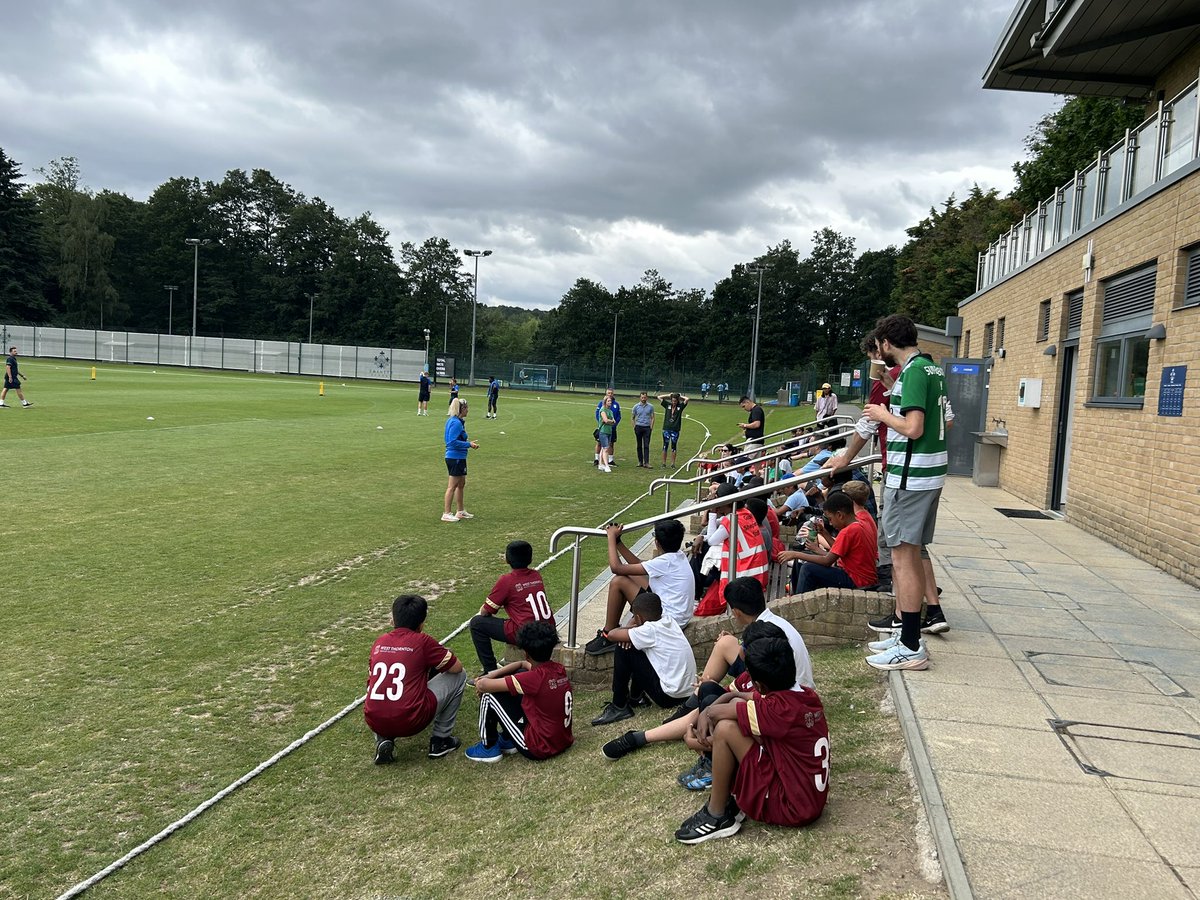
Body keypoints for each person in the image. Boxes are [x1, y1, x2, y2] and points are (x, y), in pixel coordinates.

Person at [856, 314, 948, 669]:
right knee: (909, 555)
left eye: (879, 345)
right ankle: (905, 635)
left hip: (910, 478)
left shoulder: (912, 372)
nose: (878, 351)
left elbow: (912, 427)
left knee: (902, 558)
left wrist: (881, 413)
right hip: (927, 476)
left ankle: (911, 644)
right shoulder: (929, 369)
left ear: (886, 343)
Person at [673, 636, 829, 843]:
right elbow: (741, 700)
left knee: (726, 729)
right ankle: (726, 805)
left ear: (759, 685)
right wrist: (713, 708)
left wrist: (695, 740)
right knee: (733, 714)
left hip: (792, 808)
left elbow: (723, 719)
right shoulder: (804, 695)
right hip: (807, 798)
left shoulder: (775, 710)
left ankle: (716, 815)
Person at [600, 619, 786, 762]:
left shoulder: (776, 698)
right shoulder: (748, 677)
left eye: (741, 645)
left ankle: (708, 764)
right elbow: (711, 705)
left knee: (718, 704)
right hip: (706, 705)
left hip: (747, 747)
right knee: (709, 691)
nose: (738, 649)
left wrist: (697, 741)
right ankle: (641, 736)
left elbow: (612, 634)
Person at [364, 594, 466, 764]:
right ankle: (440, 740)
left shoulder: (379, 641)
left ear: (393, 619)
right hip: (411, 720)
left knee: (377, 689)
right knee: (460, 676)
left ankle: (383, 739)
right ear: (422, 623)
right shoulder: (422, 641)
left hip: (374, 720)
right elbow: (456, 667)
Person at [464, 621, 574, 763]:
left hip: (538, 747)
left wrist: (481, 682)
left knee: (488, 695)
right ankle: (508, 738)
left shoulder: (532, 678)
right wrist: (492, 674)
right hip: (562, 740)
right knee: (516, 676)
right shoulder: (558, 668)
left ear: (526, 652)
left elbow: (483, 686)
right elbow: (522, 664)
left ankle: (488, 747)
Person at [584, 520, 693, 655]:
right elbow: (637, 564)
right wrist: (618, 542)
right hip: (678, 615)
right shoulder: (677, 556)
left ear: (657, 542)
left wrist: (611, 537)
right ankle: (615, 630)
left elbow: (616, 567)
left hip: (668, 619)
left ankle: (608, 634)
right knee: (629, 573)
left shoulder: (665, 562)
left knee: (618, 581)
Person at [590, 591, 696, 726]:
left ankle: (619, 706)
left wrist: (629, 627)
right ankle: (636, 697)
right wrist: (632, 632)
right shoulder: (669, 621)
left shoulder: (649, 630)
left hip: (669, 697)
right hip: (687, 694)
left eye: (634, 616)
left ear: (638, 618)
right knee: (633, 644)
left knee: (623, 648)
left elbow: (611, 634)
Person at [469, 540, 553, 676]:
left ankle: (489, 671)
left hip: (528, 633)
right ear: (530, 559)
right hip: (549, 629)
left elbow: (486, 611)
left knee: (477, 623)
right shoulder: (536, 575)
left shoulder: (507, 580)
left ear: (507, 560)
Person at [778, 491, 877, 594]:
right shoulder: (857, 525)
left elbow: (827, 560)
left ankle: (799, 605)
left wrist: (795, 554)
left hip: (857, 581)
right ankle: (795, 595)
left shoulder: (848, 531)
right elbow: (837, 550)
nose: (830, 523)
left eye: (830, 519)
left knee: (807, 569)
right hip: (856, 576)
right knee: (801, 562)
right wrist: (824, 533)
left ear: (839, 515)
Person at [443, 398, 479, 522]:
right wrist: (469, 444)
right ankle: (446, 513)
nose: (468, 410)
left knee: (461, 484)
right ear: (462, 409)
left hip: (458, 457)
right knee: (452, 486)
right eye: (466, 408)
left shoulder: (455, 421)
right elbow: (451, 441)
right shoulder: (456, 423)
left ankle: (460, 511)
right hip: (455, 457)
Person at [658, 391, 690, 469]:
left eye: (675, 401)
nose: (673, 402)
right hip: (666, 429)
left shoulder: (680, 407)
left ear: (677, 400)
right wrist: (669, 395)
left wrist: (680, 396)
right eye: (672, 401)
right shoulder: (667, 405)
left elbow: (687, 399)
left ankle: (672, 463)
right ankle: (664, 463)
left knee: (673, 447)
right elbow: (659, 397)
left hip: (675, 430)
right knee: (665, 446)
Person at [593, 388, 622, 467]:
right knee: (599, 443)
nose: (610, 394)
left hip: (612, 428)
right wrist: (600, 423)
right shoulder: (601, 404)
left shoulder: (616, 404)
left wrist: (615, 424)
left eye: (611, 393)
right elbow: (597, 414)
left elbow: (619, 416)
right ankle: (597, 459)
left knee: (611, 443)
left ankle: (610, 459)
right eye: (608, 393)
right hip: (603, 427)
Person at [630, 391, 655, 468]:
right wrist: (634, 427)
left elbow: (653, 417)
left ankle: (646, 462)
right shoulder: (636, 407)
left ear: (647, 397)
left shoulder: (650, 407)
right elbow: (632, 418)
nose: (643, 399)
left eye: (645, 397)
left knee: (646, 445)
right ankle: (640, 461)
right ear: (640, 398)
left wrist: (651, 426)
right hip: (638, 427)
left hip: (647, 428)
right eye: (642, 397)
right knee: (639, 445)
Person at [596, 395, 616, 473]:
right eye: (608, 401)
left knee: (604, 448)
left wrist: (609, 421)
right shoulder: (603, 410)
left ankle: (600, 464)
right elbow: (605, 420)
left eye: (610, 401)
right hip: (603, 431)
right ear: (605, 402)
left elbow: (613, 421)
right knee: (606, 448)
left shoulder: (610, 411)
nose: (610, 402)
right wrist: (610, 421)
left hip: (609, 431)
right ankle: (606, 465)